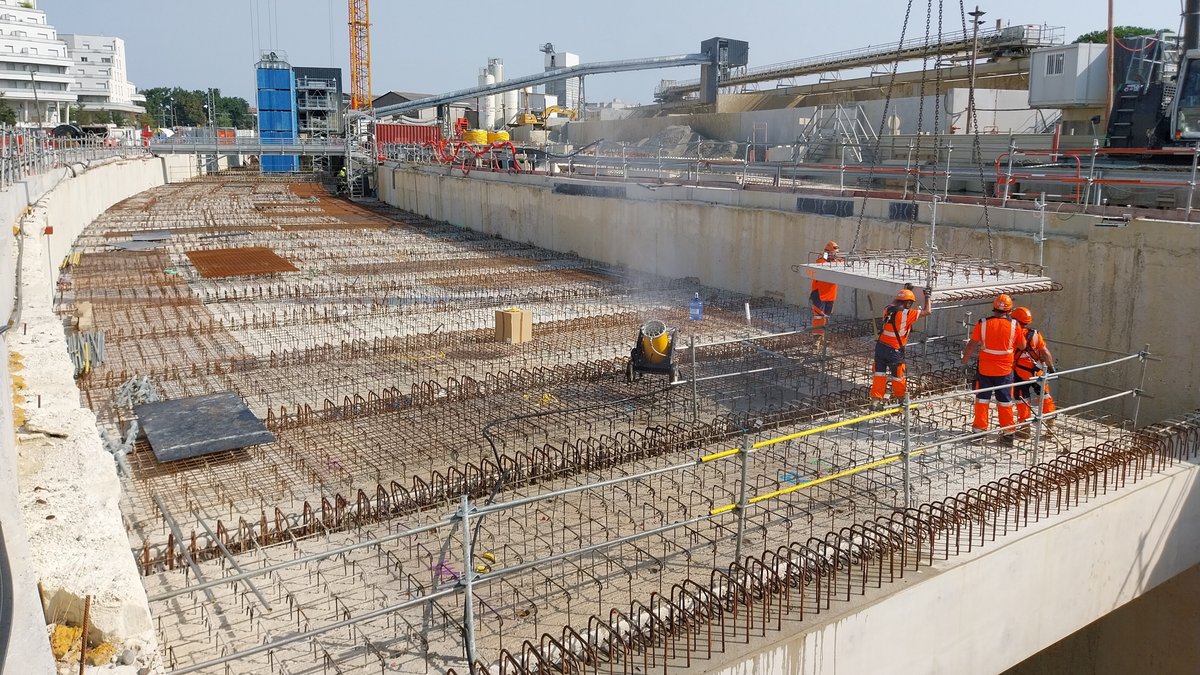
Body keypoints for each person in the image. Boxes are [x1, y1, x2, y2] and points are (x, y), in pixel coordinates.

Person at [961, 294, 1027, 445]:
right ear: (1009, 310)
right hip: (1004, 371)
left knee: (982, 400)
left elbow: (971, 345)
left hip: (985, 370)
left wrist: (964, 362)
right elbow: (1022, 346)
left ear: (994, 307)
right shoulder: (1014, 325)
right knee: (1005, 402)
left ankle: (979, 433)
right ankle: (1008, 434)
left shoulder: (983, 323)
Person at [871, 285, 933, 407]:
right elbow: (928, 311)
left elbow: (895, 302)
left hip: (880, 348)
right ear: (908, 303)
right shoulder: (906, 314)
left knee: (879, 374)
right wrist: (927, 296)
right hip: (894, 351)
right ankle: (901, 400)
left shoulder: (887, 309)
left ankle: (875, 401)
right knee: (898, 376)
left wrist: (906, 291)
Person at [1010, 306, 1057, 437]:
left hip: (1019, 374)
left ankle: (1025, 429)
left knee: (1022, 400)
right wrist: (1051, 368)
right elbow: (1045, 352)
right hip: (1038, 372)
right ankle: (1051, 425)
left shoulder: (1012, 334)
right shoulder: (1035, 334)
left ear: (1015, 319)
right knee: (1045, 397)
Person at [809, 241, 841, 347]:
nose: (835, 255)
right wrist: (836, 261)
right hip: (819, 294)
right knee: (818, 317)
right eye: (833, 253)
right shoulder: (820, 261)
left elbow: (844, 265)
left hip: (830, 295)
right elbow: (825, 266)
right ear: (827, 252)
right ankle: (816, 339)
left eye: (836, 253)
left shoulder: (837, 261)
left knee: (826, 317)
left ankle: (822, 336)